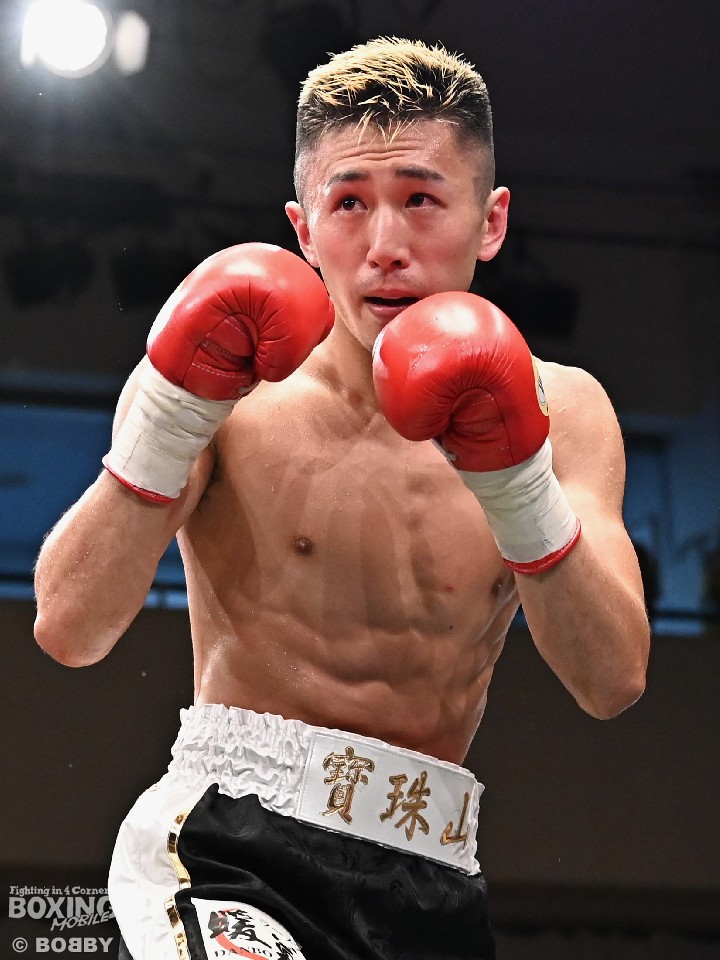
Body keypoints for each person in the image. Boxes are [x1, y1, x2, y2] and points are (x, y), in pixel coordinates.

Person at [33, 36, 650, 960]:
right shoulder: (228, 389)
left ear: (490, 221)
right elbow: (68, 627)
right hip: (229, 844)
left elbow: (612, 681)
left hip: (433, 875)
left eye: (421, 200)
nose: (386, 247)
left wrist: (516, 480)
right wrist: (168, 418)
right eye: (350, 203)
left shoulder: (564, 409)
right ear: (304, 228)